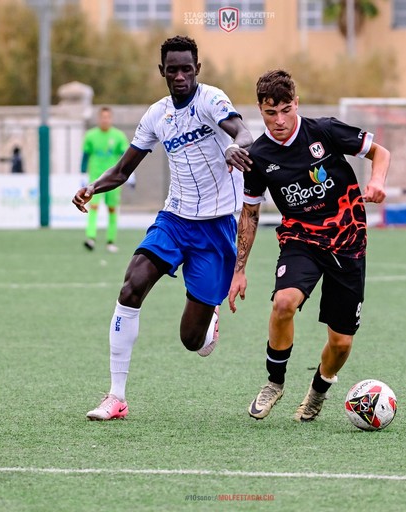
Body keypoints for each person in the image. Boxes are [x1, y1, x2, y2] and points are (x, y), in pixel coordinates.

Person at [72, 35, 253, 421]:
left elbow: (242, 130)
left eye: (187, 69)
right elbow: (123, 170)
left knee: (192, 342)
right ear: (162, 72)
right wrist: (92, 188)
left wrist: (240, 146)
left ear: (197, 70)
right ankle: (116, 396)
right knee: (131, 284)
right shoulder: (157, 115)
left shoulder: (211, 100)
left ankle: (209, 320)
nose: (181, 76)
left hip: (216, 228)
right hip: (174, 220)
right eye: (173, 70)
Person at [228, 69, 390, 422]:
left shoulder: (325, 131)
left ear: (296, 104)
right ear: (260, 110)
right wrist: (239, 270)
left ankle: (318, 389)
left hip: (348, 242)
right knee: (284, 302)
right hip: (300, 240)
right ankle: (274, 382)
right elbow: (250, 214)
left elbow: (381, 152)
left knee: (341, 343)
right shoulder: (258, 156)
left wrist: (377, 181)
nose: (280, 120)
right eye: (271, 113)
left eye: (286, 110)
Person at [80, 107, 129, 253]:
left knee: (112, 209)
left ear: (111, 119)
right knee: (92, 206)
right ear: (99, 119)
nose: (105, 120)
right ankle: (91, 238)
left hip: (113, 179)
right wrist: (82, 174)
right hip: (95, 178)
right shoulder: (91, 135)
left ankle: (110, 241)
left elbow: (126, 156)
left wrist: (130, 174)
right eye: (103, 117)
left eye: (108, 117)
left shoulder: (119, 136)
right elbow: (85, 156)